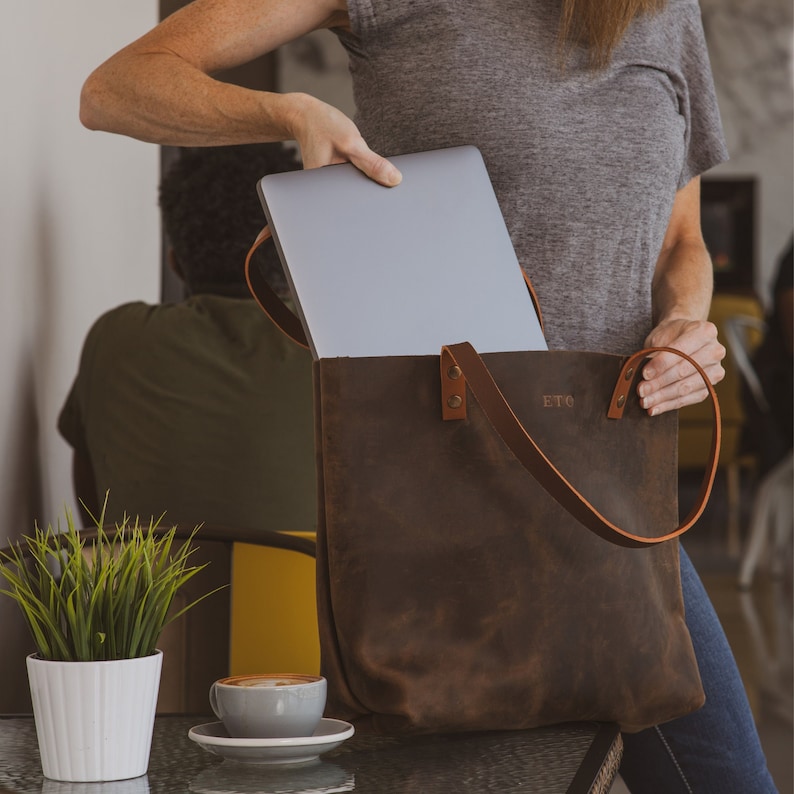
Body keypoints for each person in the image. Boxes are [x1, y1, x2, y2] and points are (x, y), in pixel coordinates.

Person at [78, 2, 778, 791]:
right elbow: (115, 88)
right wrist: (287, 112)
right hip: (440, 493)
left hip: (614, 490)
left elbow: (680, 240)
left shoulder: (662, 10)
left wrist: (686, 322)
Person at [58, 142, 316, 532]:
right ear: (298, 250)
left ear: (174, 261)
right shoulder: (341, 348)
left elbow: (98, 523)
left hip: (149, 595)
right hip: (302, 592)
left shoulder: (116, 339)